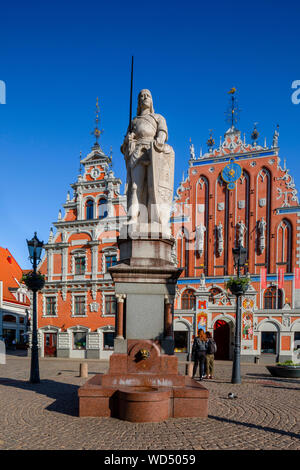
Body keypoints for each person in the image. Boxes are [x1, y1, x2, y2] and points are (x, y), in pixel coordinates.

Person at [121, 89, 174, 232]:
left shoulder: (158, 118)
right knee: (135, 187)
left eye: (147, 96)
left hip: (153, 152)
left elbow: (162, 132)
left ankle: (153, 219)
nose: (144, 98)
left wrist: (159, 141)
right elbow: (124, 145)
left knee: (153, 188)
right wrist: (128, 141)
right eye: (141, 96)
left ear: (151, 100)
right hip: (137, 152)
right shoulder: (134, 121)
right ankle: (133, 218)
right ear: (138, 102)